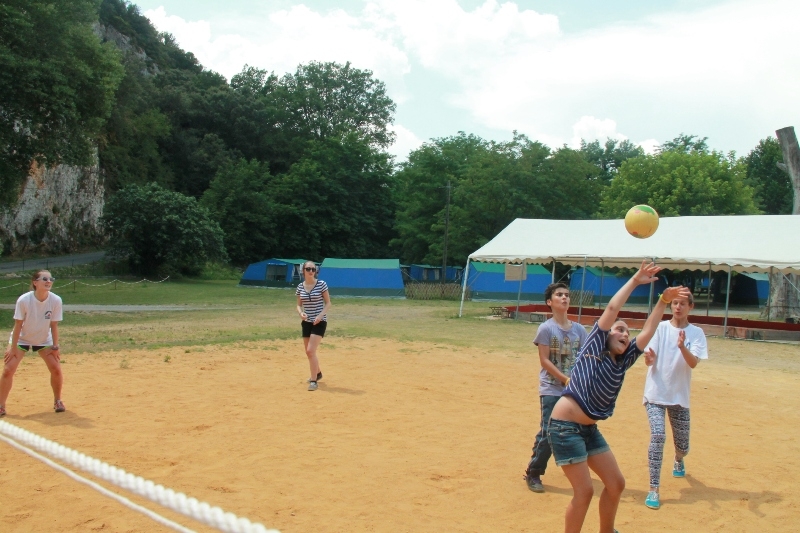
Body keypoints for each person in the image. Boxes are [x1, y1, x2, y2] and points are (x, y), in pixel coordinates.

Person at [547, 261, 691, 533]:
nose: (624, 333)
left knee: (616, 484)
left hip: (589, 430)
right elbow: (612, 309)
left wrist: (662, 300)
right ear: (606, 334)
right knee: (585, 491)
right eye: (618, 329)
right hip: (564, 428)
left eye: (627, 331)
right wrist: (636, 280)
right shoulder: (593, 347)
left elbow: (648, 331)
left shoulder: (622, 362)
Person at [641, 292, 708, 510]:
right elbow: (650, 358)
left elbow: (693, 363)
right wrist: (649, 359)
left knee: (683, 446)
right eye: (674, 303)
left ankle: (678, 458)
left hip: (679, 397)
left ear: (691, 306)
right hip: (655, 395)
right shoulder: (660, 328)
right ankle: (654, 489)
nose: (678, 307)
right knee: (658, 435)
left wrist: (682, 346)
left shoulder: (696, 333)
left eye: (682, 304)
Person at [524, 282, 587, 493]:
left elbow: (585, 358)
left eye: (567, 295)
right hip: (551, 389)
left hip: (574, 391)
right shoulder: (546, 328)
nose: (564, 298)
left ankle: (575, 467)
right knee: (549, 433)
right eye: (559, 295)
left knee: (579, 430)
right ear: (550, 302)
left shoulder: (579, 330)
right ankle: (534, 472)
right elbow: (544, 361)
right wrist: (564, 379)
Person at [1, 270, 65, 416]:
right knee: (8, 370)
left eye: (51, 279)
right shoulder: (24, 300)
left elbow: (54, 326)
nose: (49, 281)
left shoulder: (55, 300)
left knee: (56, 368)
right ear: (35, 283)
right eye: (44, 279)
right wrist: (12, 347)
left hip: (43, 339)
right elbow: (18, 325)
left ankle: (58, 401)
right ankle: (1, 405)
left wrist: (55, 346)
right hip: (22, 338)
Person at [295, 261, 331, 391]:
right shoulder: (300, 287)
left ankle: (313, 381)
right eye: (308, 269)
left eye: (313, 269)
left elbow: (328, 303)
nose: (311, 271)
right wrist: (301, 313)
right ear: (303, 270)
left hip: (319, 322)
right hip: (307, 322)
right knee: (309, 352)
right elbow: (298, 304)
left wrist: (320, 316)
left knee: (311, 351)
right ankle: (318, 373)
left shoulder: (321, 284)